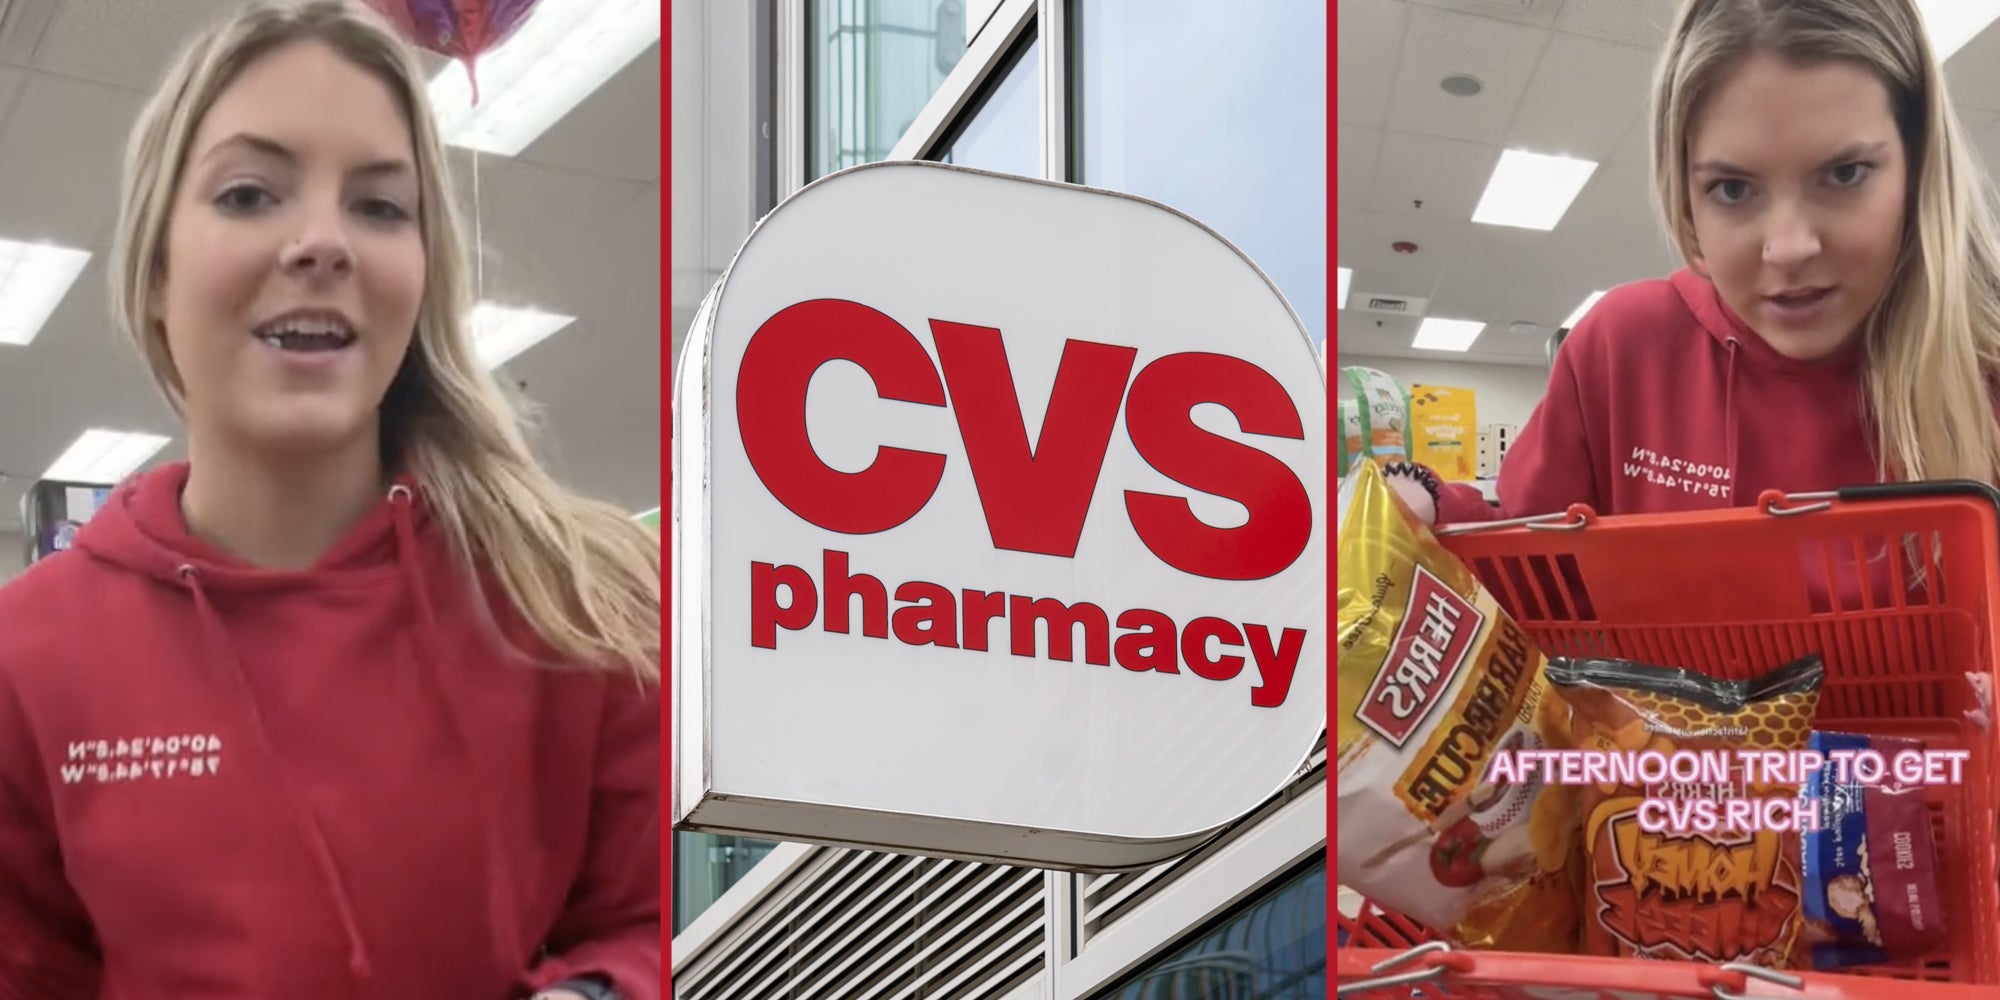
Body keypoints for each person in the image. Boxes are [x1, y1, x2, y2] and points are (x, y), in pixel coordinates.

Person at [0, 2, 661, 997]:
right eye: (250, 193)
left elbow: (654, 920)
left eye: (381, 207)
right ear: (154, 275)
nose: (321, 242)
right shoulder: (28, 653)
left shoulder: (576, 599)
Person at [1384, 0, 2000, 529]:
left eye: (1844, 174)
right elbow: (1525, 559)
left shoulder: (1985, 371)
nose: (1788, 247)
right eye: (1733, 188)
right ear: (1684, 193)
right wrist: (1429, 507)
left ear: (1919, 169)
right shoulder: (1622, 349)